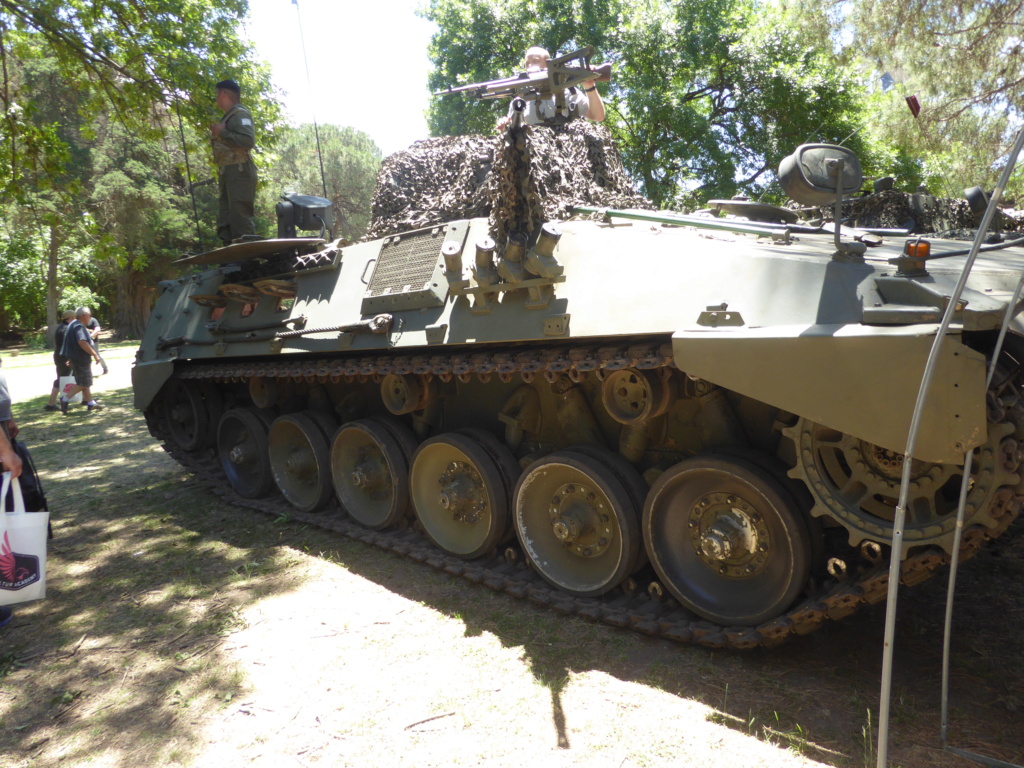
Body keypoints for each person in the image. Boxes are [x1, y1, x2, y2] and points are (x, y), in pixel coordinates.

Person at [496, 46, 606, 130]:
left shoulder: (567, 90)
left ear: (548, 65)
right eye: (527, 64)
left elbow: (598, 116)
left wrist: (590, 87)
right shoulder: (520, 98)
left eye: (535, 61)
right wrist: (505, 125)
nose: (530, 67)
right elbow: (514, 131)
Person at [210, 78, 258, 246]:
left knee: (240, 218)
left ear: (223, 93)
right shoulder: (230, 116)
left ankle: (247, 259)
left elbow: (248, 141)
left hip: (240, 171)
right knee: (226, 220)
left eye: (217, 94)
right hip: (229, 172)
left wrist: (222, 133)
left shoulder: (240, 114)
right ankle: (231, 259)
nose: (216, 98)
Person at [58, 307, 105, 414]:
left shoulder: (72, 325)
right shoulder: (78, 326)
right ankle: (65, 399)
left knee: (83, 382)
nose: (90, 318)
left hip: (75, 359)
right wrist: (95, 354)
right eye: (89, 315)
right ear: (84, 315)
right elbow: (82, 342)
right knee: (84, 383)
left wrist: (70, 358)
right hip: (81, 360)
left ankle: (90, 403)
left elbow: (71, 343)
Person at [44, 310, 76, 411]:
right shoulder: (66, 329)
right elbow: (67, 345)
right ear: (72, 318)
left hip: (59, 356)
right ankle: (53, 404)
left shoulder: (61, 327)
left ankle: (85, 399)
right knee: (63, 380)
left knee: (65, 378)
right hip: (64, 357)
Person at [85, 311, 108, 375]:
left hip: (94, 341)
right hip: (83, 341)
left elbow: (97, 329)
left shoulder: (93, 320)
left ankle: (105, 368)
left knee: (97, 354)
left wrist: (91, 335)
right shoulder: (78, 322)